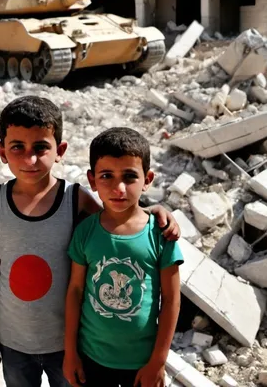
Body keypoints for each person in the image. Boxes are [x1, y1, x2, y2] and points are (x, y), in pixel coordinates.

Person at [0, 96, 181, 387]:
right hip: (14, 339)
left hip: (68, 343)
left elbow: (117, 219)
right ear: (2, 151)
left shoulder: (75, 200)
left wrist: (153, 212)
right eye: (17, 148)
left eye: (40, 147)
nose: (30, 159)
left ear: (59, 150)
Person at [63, 127, 184, 387]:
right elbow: (75, 291)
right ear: (92, 180)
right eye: (107, 176)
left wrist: (158, 362)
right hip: (91, 357)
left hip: (141, 362)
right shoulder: (85, 232)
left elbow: (172, 300)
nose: (119, 187)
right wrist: (71, 353)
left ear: (147, 179)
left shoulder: (160, 234)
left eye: (130, 176)